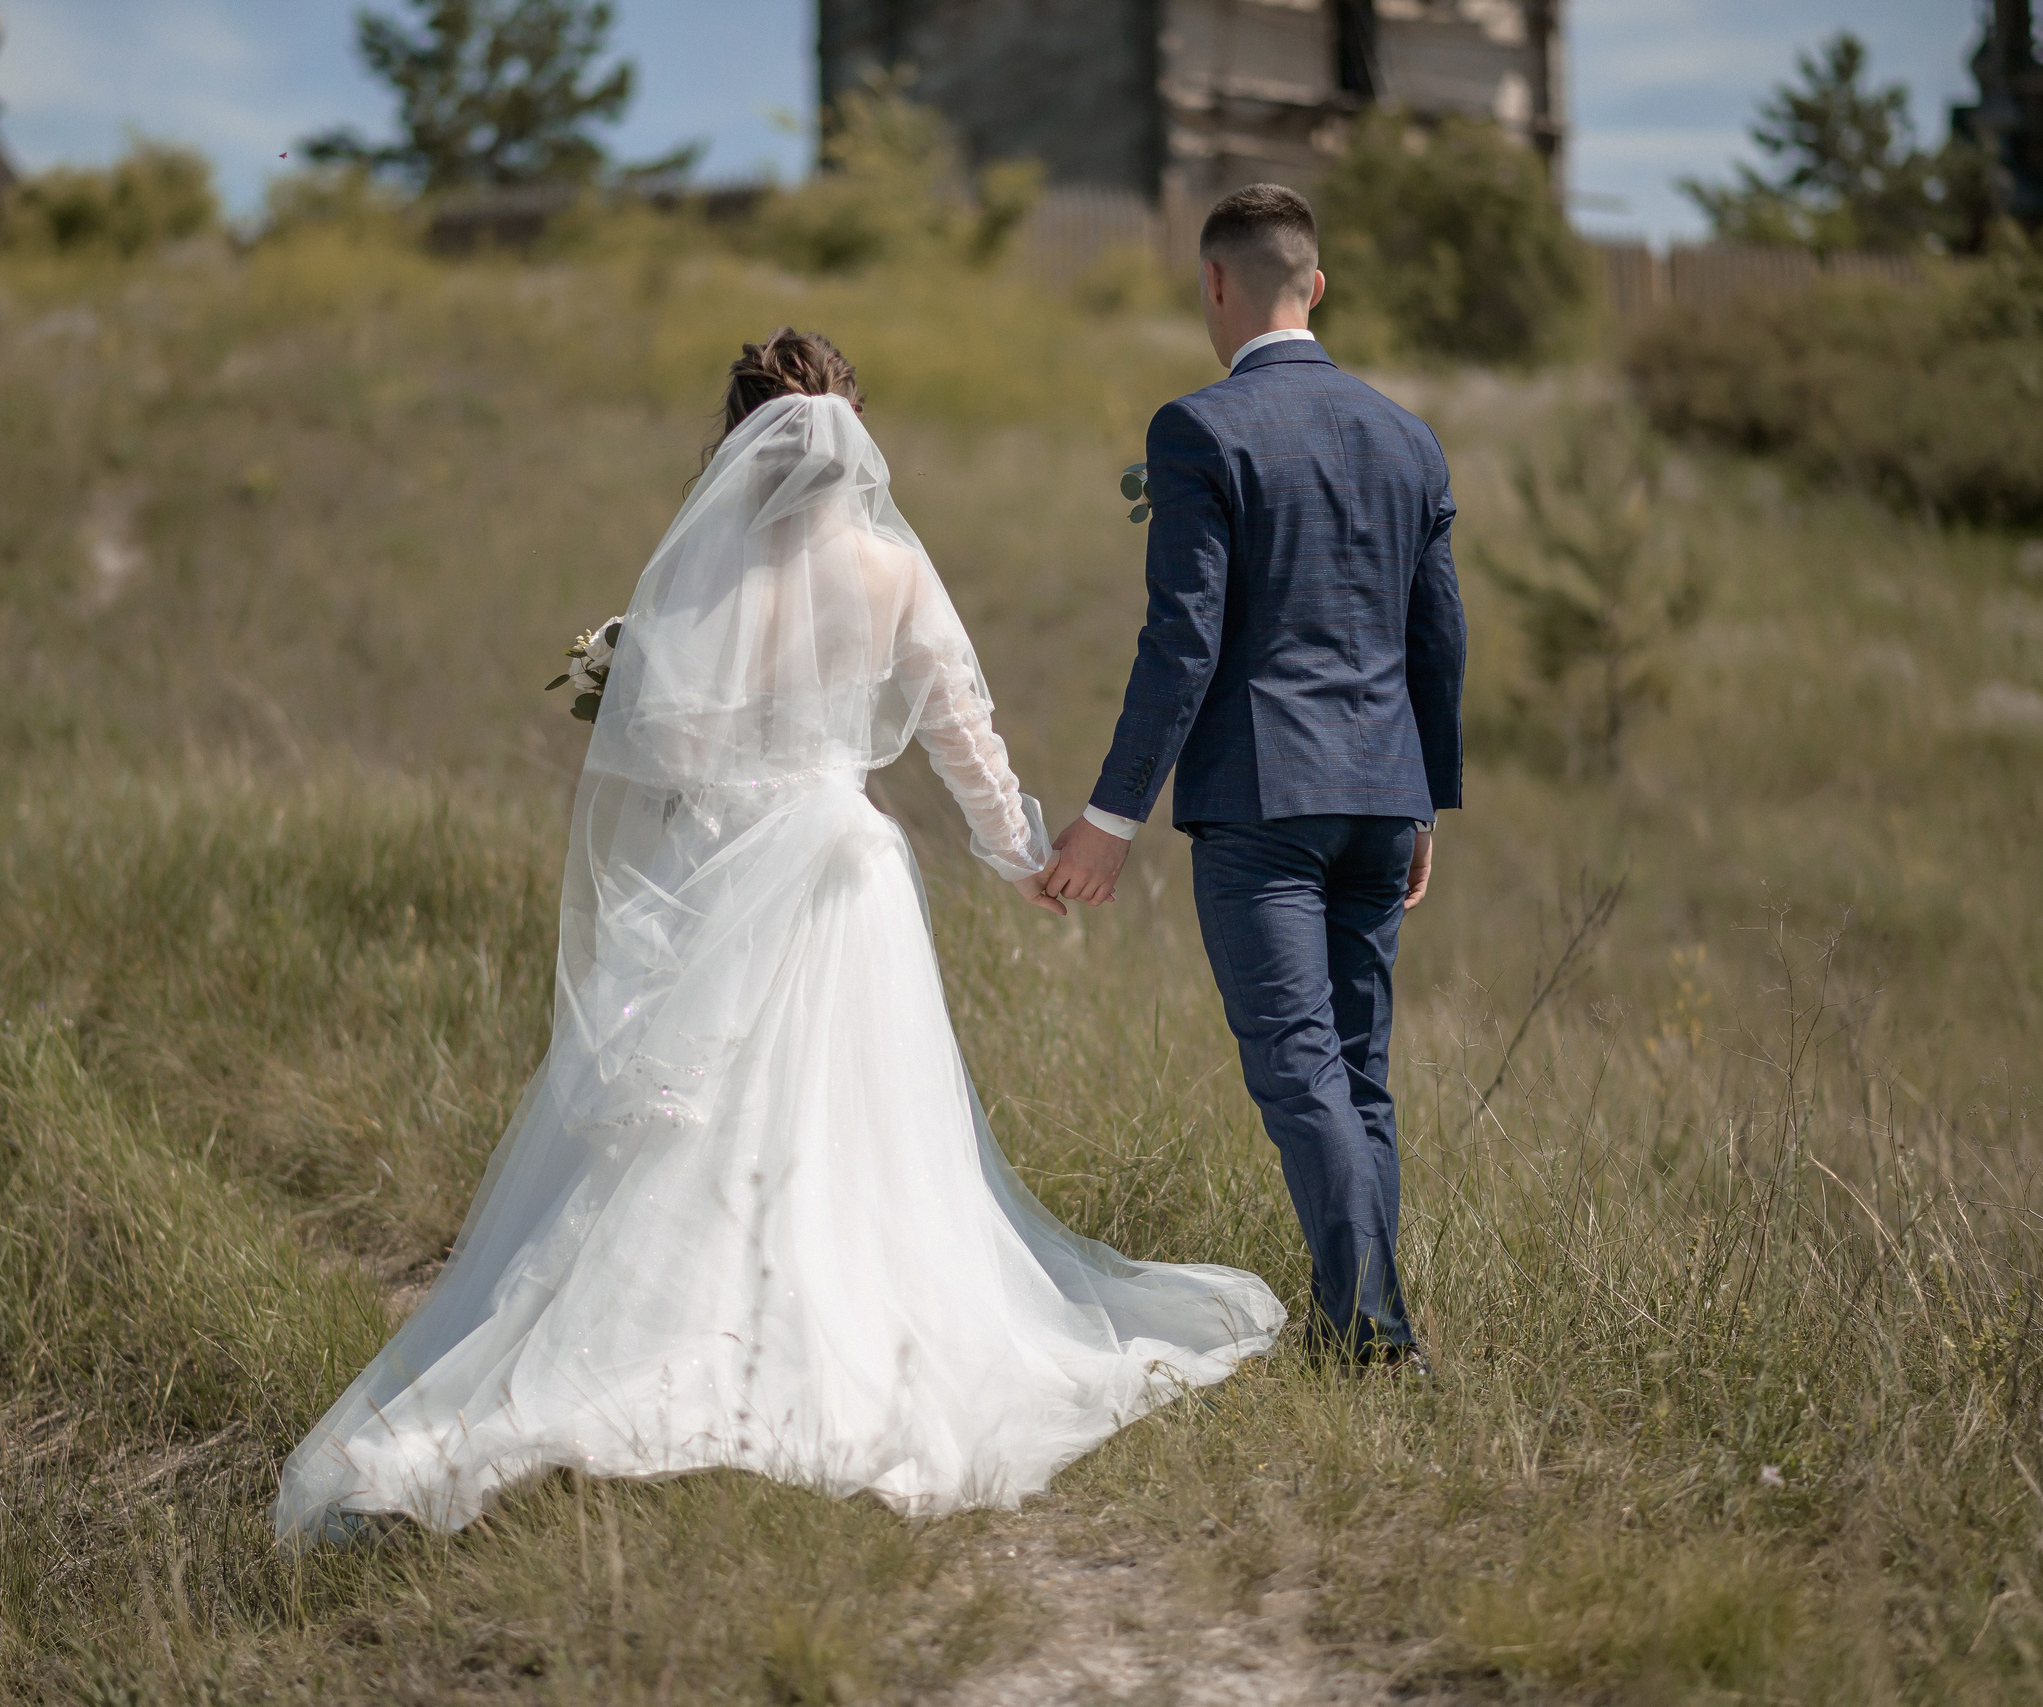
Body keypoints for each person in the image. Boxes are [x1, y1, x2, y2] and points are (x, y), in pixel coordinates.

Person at [272, 330, 1283, 1546]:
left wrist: (638, 711)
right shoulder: (892, 570)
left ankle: (654, 1337)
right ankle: (841, 1330)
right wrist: (1022, 855)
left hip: (727, 872)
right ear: (854, 437)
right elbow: (961, 734)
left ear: (740, 442)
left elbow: (672, 758)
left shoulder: (702, 579)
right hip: (846, 869)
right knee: (856, 1129)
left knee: (690, 1126)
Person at [1039, 185, 1467, 1373]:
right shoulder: (1408, 438)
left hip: (1264, 802)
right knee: (1356, 1075)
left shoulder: (1198, 429)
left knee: (1298, 1069)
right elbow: (1439, 638)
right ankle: (1353, 1328)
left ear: (1214, 283)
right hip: (1381, 796)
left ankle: (1376, 1339)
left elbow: (1182, 642)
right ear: (1315, 287)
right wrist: (1423, 800)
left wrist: (1110, 817)